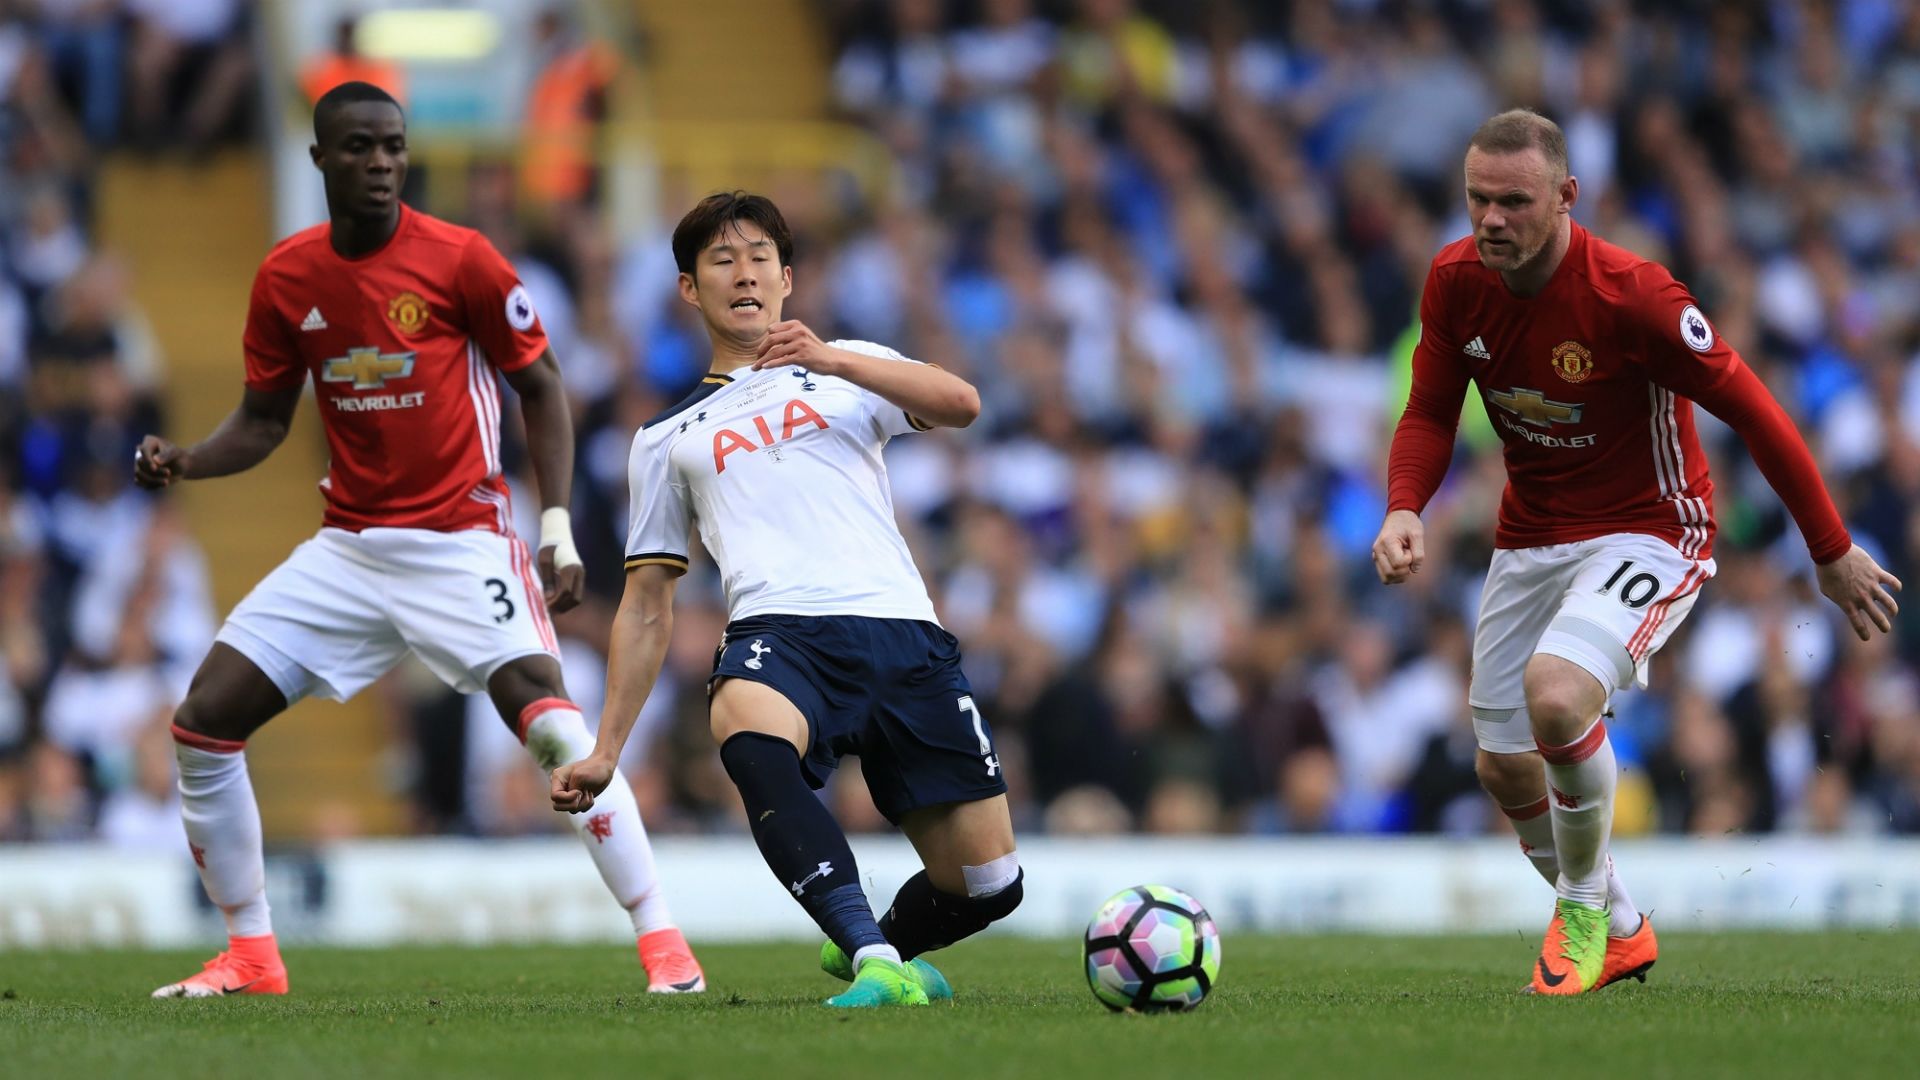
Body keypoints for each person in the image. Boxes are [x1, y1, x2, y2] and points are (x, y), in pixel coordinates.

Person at [135, 82, 701, 998]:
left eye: (393, 146)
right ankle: (252, 953)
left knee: (553, 725)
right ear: (320, 160)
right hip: (352, 546)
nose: (381, 163)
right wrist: (188, 462)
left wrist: (554, 526)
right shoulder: (288, 278)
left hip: (462, 538)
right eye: (358, 147)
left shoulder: (462, 259)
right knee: (204, 720)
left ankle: (663, 943)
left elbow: (545, 387)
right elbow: (265, 422)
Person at [1373, 109, 1901, 995]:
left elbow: (1755, 410)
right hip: (1531, 532)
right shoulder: (1455, 279)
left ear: (1567, 197)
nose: (1491, 220)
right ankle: (1619, 928)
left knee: (1556, 693)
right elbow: (1429, 410)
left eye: (1514, 201)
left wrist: (1830, 547)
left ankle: (1579, 908)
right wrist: (1403, 508)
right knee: (1501, 764)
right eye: (1477, 200)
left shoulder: (1634, 295)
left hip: (1653, 528)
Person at [548, 191, 1022, 1008]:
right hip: (781, 630)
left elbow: (963, 404)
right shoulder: (665, 438)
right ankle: (872, 954)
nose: (745, 272)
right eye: (723, 260)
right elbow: (649, 603)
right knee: (743, 722)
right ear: (690, 291)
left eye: (761, 257)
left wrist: (833, 360)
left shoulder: (849, 367)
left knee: (988, 882)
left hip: (902, 628)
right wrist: (606, 749)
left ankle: (882, 947)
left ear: (788, 278)